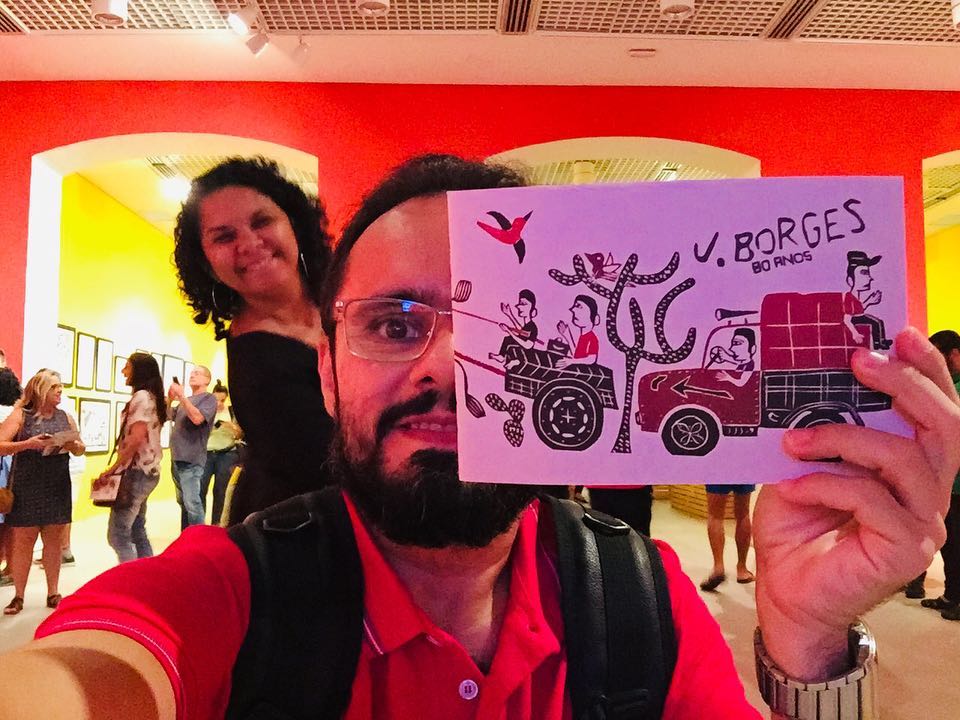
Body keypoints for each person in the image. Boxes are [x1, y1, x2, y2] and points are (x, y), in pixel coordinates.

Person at [1, 155, 958, 720]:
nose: (450, 368)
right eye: (394, 322)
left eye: (501, 321)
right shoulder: (227, 591)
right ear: (326, 374)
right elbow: (86, 678)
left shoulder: (640, 593)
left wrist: (808, 642)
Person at [173, 157, 335, 524]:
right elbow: (329, 467)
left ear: (294, 224)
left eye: (262, 222)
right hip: (301, 531)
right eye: (224, 237)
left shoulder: (345, 300)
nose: (248, 243)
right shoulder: (257, 363)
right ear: (207, 263)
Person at [0, 369, 84, 615]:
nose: (60, 390)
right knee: (24, 542)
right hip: (27, 485)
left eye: (60, 386)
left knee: (53, 542)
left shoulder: (65, 417)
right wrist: (28, 444)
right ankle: (18, 595)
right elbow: (1, 445)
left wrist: (73, 445)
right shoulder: (21, 416)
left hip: (57, 485)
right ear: (40, 389)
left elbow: (80, 448)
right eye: (54, 386)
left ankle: (53, 592)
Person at [904, 329, 960, 620]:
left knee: (955, 543)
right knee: (948, 543)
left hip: (956, 483)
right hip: (945, 482)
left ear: (954, 355)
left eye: (939, 355)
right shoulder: (945, 387)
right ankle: (952, 595)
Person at [95, 353, 166, 563]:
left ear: (138, 370)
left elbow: (135, 439)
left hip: (137, 472)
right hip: (147, 470)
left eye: (127, 367)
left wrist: (112, 469)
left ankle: (130, 575)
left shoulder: (141, 397)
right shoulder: (152, 397)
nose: (123, 371)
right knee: (136, 529)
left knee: (118, 535)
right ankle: (147, 573)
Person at [167, 365, 217, 529]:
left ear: (207, 380)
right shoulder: (186, 401)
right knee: (184, 503)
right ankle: (187, 535)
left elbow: (197, 418)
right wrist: (170, 399)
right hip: (177, 457)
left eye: (197, 373)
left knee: (192, 503)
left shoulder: (209, 399)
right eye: (191, 373)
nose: (192, 375)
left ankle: (200, 538)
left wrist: (181, 396)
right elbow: (167, 415)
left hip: (191, 460)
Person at [699, 484, 756, 591]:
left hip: (718, 473)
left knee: (715, 515)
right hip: (744, 472)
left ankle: (718, 567)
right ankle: (742, 570)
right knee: (743, 514)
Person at [202, 380, 242, 525]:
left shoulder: (231, 412)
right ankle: (198, 524)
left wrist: (229, 426)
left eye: (222, 400)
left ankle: (216, 524)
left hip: (226, 454)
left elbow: (239, 434)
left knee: (221, 491)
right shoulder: (204, 411)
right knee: (200, 489)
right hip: (206, 453)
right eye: (216, 400)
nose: (219, 403)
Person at [0, 367, 23, 586]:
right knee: (10, 519)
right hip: (14, 467)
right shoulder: (17, 412)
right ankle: (11, 567)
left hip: (1, 465)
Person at [555, 294, 601, 368]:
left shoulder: (592, 338)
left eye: (579, 306)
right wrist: (566, 335)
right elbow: (576, 355)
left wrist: (571, 361)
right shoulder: (582, 336)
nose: (573, 309)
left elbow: (591, 360)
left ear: (595, 319)